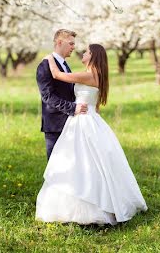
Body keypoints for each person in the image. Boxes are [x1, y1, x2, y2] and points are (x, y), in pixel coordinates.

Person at [35, 43, 147, 225]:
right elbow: (96, 105)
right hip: (89, 118)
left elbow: (58, 75)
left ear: (93, 56)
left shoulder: (89, 75)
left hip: (82, 120)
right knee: (89, 161)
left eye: (87, 51)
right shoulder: (97, 75)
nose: (83, 53)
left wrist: (49, 58)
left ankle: (87, 206)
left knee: (80, 161)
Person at [36, 28, 87, 160]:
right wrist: (72, 108)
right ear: (59, 42)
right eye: (71, 43)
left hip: (70, 122)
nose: (73, 47)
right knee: (55, 165)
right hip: (55, 125)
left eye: (74, 44)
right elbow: (47, 96)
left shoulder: (64, 65)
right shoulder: (45, 65)